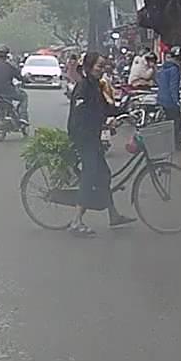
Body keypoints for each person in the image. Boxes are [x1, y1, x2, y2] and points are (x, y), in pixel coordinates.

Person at [66, 52, 136, 237]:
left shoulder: (96, 86)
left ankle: (113, 215)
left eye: (103, 66)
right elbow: (80, 116)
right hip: (83, 137)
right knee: (90, 175)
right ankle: (76, 221)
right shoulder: (83, 88)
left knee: (104, 175)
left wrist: (125, 111)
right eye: (99, 66)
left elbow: (105, 108)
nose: (102, 69)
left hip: (93, 137)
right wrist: (103, 123)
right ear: (89, 68)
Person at [0, 46, 28, 122]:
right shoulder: (9, 65)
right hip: (8, 91)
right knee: (24, 96)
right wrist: (25, 79)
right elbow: (19, 76)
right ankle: (23, 117)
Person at [156, 46, 181, 148]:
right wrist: (177, 101)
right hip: (170, 101)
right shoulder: (174, 69)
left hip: (161, 98)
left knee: (168, 122)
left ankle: (168, 142)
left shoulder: (163, 68)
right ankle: (176, 143)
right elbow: (173, 87)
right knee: (177, 121)